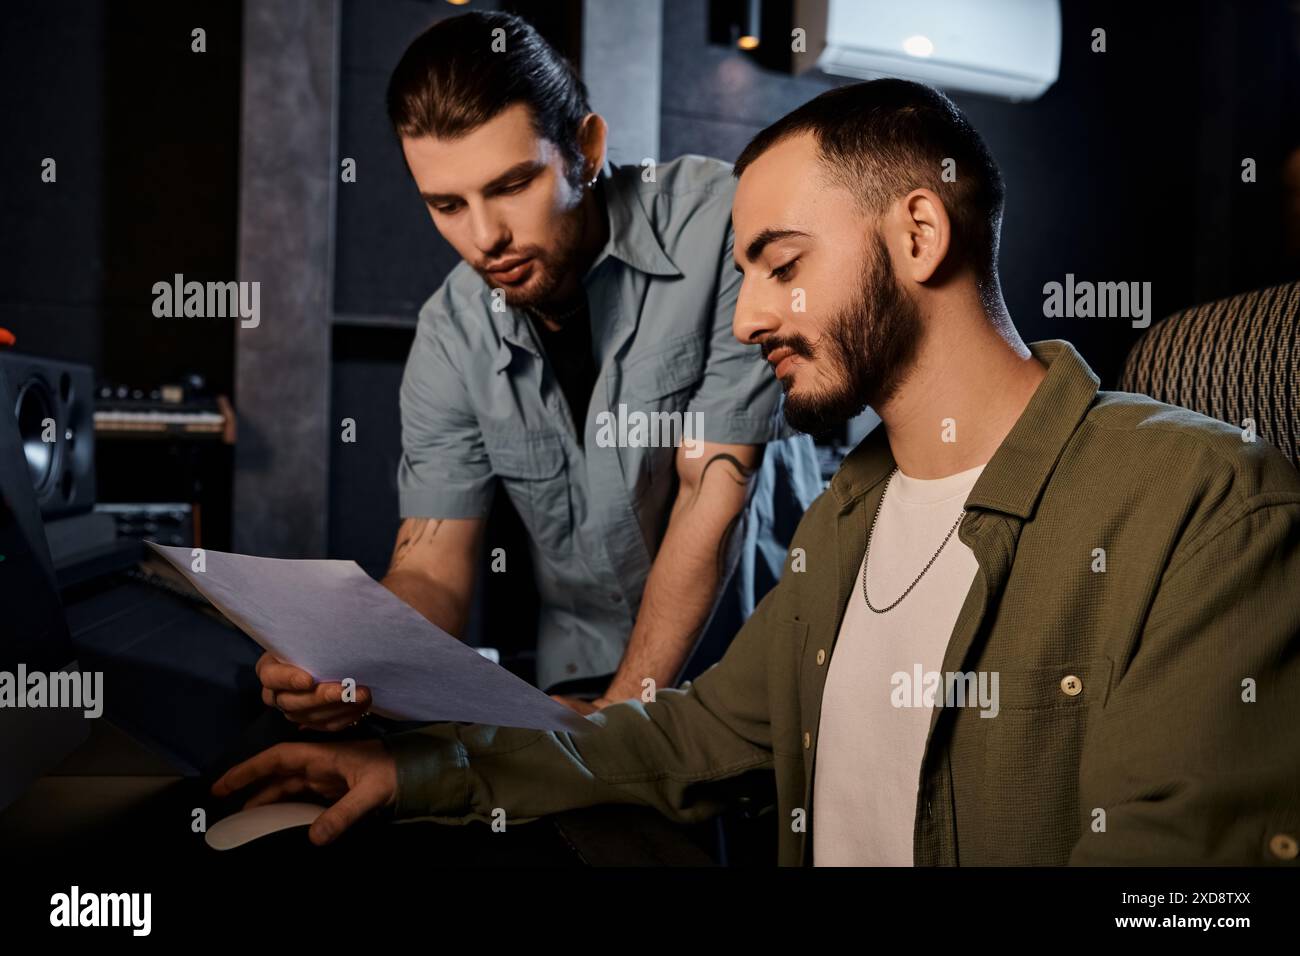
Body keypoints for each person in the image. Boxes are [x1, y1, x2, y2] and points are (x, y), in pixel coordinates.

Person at [218, 80, 1300, 866]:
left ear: (918, 232)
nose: (742, 318)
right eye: (741, 275)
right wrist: (415, 774)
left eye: (782, 266)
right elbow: (688, 730)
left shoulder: (1203, 507)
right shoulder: (840, 525)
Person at [253, 10, 820, 729]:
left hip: (757, 667)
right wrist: (350, 660)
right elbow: (433, 568)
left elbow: (714, 492)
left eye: (512, 185)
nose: (485, 237)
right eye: (447, 204)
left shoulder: (722, 229)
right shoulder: (449, 334)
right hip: (580, 674)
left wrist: (620, 720)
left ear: (585, 149)